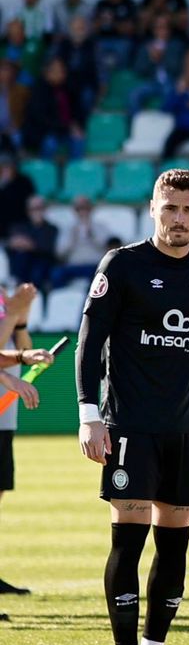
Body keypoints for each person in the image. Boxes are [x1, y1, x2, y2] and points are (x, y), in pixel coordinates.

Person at [75, 169, 189, 645]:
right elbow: (90, 342)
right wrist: (88, 414)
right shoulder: (123, 264)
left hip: (186, 428)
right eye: (170, 208)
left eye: (188, 210)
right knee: (130, 541)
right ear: (152, 209)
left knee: (176, 547)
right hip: (130, 426)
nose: (178, 219)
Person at [0, 284, 48, 598]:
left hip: (5, 413)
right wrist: (14, 312)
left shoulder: (7, 299)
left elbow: (25, 349)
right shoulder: (8, 302)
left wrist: (21, 320)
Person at [7, 196, 60, 288]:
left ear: (44, 209)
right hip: (24, 263)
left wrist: (31, 245)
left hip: (43, 263)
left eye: (39, 208)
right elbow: (11, 243)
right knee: (21, 256)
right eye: (33, 209)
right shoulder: (21, 227)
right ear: (28, 211)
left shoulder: (52, 228)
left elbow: (49, 249)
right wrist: (13, 243)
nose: (36, 212)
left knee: (37, 272)